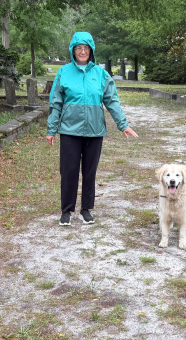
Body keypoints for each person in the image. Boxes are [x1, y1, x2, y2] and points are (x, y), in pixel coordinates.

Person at [46, 32, 138, 226]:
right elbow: (56, 102)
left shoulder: (101, 75)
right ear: (73, 50)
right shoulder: (63, 72)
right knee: (69, 171)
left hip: (94, 132)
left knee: (89, 172)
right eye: (78, 48)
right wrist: (51, 129)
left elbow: (112, 101)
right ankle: (66, 211)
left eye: (86, 48)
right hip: (70, 131)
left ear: (91, 51)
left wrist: (123, 125)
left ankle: (86, 209)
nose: (82, 51)